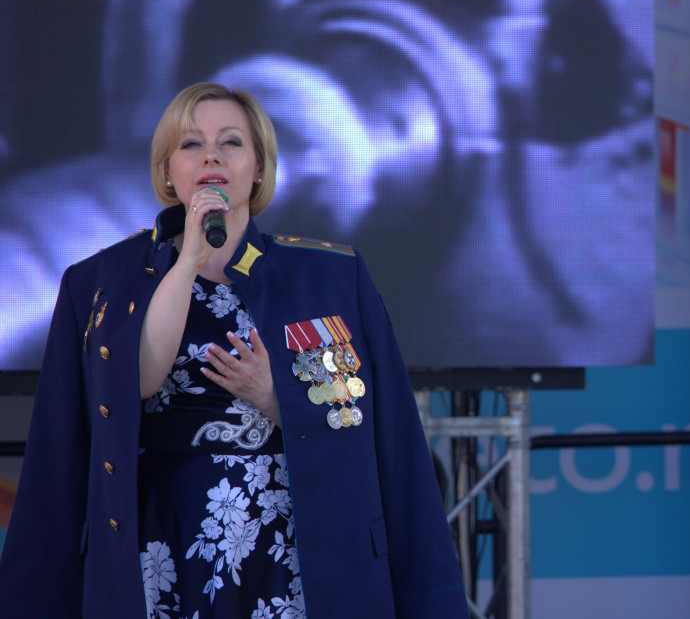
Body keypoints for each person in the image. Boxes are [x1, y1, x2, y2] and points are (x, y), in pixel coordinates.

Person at [0, 83, 467, 617]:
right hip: (160, 545)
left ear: (259, 168)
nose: (212, 156)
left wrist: (279, 398)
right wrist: (189, 260)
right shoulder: (99, 282)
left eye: (231, 142)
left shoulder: (331, 277)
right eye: (191, 144)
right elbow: (122, 395)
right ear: (168, 171)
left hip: (295, 553)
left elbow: (386, 438)